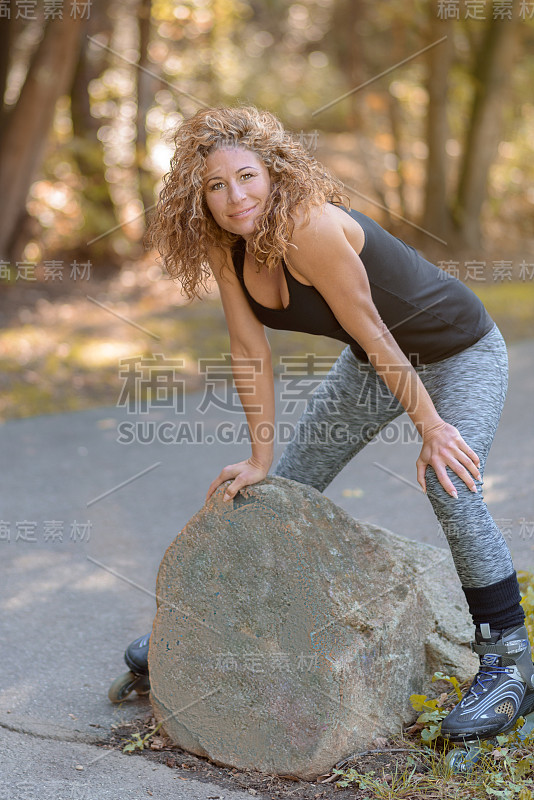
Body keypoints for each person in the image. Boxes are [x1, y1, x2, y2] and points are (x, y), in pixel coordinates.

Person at [133, 105, 533, 741]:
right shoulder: (224, 242)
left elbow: (375, 328)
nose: (234, 196)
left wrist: (430, 426)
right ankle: (211, 622)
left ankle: (509, 659)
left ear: (275, 174)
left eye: (247, 176)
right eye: (215, 185)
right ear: (198, 197)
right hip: (373, 363)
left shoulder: (309, 228)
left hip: (459, 351)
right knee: (276, 490)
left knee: (448, 481)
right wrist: (259, 458)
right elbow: (247, 348)